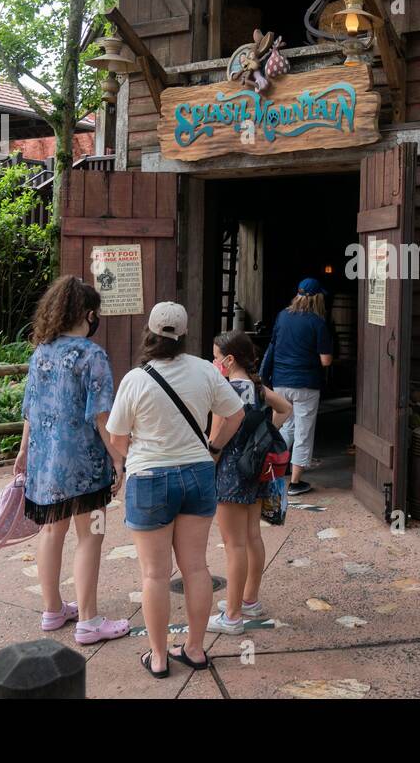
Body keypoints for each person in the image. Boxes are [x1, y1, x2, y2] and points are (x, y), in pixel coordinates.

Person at [105, 302, 246, 679]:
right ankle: (196, 650)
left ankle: (159, 656)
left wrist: (134, 454)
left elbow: (117, 438)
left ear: (149, 332)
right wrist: (213, 448)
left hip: (150, 477)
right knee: (196, 566)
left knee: (154, 574)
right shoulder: (204, 370)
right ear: (184, 334)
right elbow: (236, 413)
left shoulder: (135, 379)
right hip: (198, 473)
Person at [14, 275, 130, 644]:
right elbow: (101, 416)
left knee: (50, 531)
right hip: (84, 465)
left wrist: (22, 452)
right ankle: (90, 622)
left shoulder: (41, 353)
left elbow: (30, 410)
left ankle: (52, 610)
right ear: (88, 314)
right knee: (91, 536)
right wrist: (118, 459)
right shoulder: (91, 355)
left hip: (44, 461)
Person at [207, 330, 292, 636]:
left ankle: (232, 616)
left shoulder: (225, 390)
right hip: (255, 468)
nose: (213, 362)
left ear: (229, 360)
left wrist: (208, 467)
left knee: (234, 544)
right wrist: (265, 432)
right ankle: (249, 599)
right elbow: (286, 408)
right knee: (252, 536)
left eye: (216, 357)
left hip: (230, 472)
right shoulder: (256, 387)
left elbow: (217, 439)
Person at [259, 278, 333, 496]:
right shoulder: (318, 323)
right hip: (306, 385)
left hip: (280, 382)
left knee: (286, 428)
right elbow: (326, 361)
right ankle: (296, 482)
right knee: (303, 432)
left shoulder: (283, 316)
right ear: (318, 298)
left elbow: (273, 345)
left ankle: (271, 471)